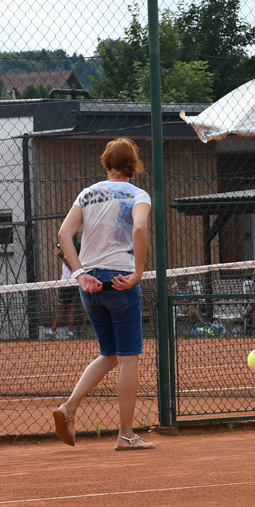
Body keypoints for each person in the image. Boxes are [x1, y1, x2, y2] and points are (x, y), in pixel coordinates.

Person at [52, 138, 155, 450]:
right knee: (128, 357)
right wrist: (138, 272)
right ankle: (126, 434)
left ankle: (69, 407)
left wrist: (80, 273)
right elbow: (139, 229)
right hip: (120, 280)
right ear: (133, 166)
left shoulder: (87, 194)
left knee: (109, 354)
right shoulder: (138, 195)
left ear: (107, 164)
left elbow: (64, 234)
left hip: (90, 286)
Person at [41, 247, 76, 340]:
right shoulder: (68, 255)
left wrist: (61, 256)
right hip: (65, 285)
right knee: (68, 310)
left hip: (69, 286)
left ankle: (52, 333)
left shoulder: (73, 256)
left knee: (61, 309)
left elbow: (72, 267)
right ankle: (70, 333)